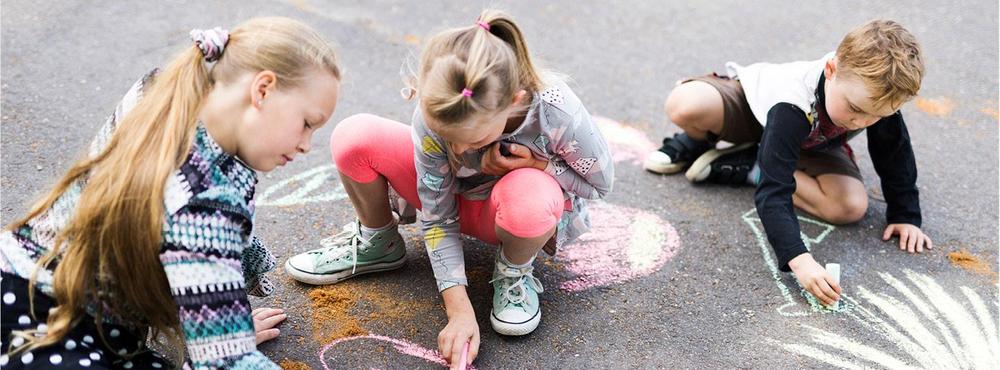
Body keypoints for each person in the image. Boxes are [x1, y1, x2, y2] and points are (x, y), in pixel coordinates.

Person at [1, 17, 341, 369]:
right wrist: (227, 347)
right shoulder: (204, 200)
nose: (306, 146)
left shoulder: (166, 95)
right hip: (45, 336)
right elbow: (227, 363)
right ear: (263, 90)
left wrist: (223, 329)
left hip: (20, 285)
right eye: (307, 124)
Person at [284, 9, 614, 369]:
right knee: (355, 137)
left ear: (514, 101)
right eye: (450, 138)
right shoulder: (439, 105)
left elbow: (599, 186)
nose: (458, 152)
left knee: (531, 194)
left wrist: (538, 164)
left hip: (508, 213)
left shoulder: (556, 111)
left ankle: (513, 272)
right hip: (452, 203)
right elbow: (438, 215)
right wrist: (458, 312)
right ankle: (380, 242)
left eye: (473, 139)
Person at [643, 19, 931, 306]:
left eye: (876, 115)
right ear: (831, 70)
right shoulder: (793, 101)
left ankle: (751, 163)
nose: (862, 122)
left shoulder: (875, 97)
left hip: (814, 141)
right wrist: (799, 259)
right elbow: (773, 192)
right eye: (855, 109)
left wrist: (905, 213)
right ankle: (698, 140)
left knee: (850, 206)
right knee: (686, 102)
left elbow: (893, 151)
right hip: (753, 114)